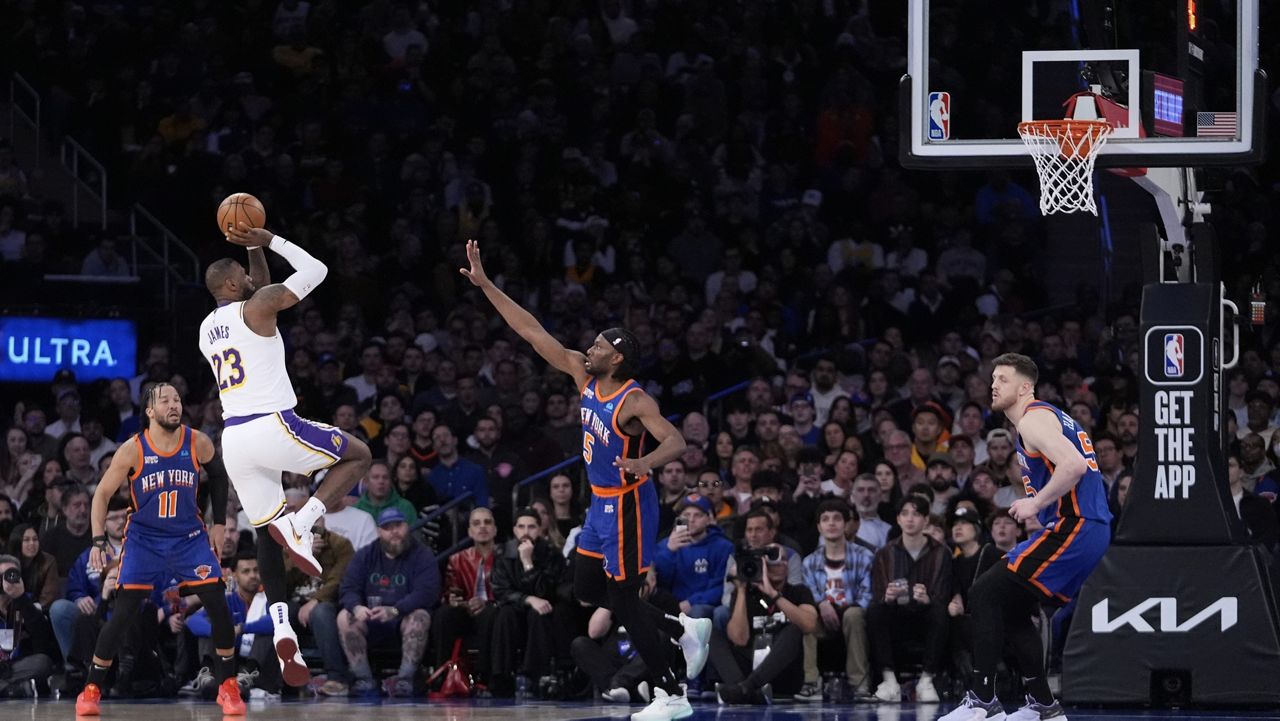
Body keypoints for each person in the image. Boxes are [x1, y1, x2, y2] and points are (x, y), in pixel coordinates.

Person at [462, 240, 707, 721]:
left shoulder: (635, 401)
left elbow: (676, 440)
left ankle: (672, 695)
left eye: (598, 344)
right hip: (599, 503)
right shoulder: (583, 376)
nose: (588, 348)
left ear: (616, 359)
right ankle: (681, 630)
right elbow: (531, 332)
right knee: (589, 588)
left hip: (631, 502)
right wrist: (486, 284)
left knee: (623, 600)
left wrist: (645, 462)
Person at [199, 223, 373, 687]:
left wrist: (252, 248)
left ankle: (281, 627)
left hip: (233, 439)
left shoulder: (206, 328)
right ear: (234, 284)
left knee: (265, 534)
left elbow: (259, 285)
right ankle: (303, 520)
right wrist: (271, 237)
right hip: (273, 425)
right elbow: (316, 270)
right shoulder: (258, 306)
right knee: (359, 455)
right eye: (244, 271)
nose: (251, 276)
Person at [942, 353, 1112, 721]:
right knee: (1012, 604)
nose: (993, 385)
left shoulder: (1034, 419)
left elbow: (1074, 466)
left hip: (1077, 525)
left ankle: (983, 702)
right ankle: (1043, 707)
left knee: (984, 592)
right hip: (1084, 527)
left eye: (1002, 379)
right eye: (993, 378)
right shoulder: (1044, 419)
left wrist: (1036, 504)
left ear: (1024, 387)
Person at [74, 383, 244, 716]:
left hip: (189, 537)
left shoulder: (197, 441)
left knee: (217, 604)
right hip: (144, 539)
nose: (174, 405)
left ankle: (228, 686)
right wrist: (97, 539)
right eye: (165, 400)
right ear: (149, 411)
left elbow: (219, 477)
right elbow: (101, 494)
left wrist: (220, 524)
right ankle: (91, 689)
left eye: (177, 399)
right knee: (124, 612)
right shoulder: (133, 449)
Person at [336, 508, 439, 696]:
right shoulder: (365, 555)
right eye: (387, 527)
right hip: (370, 618)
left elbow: (427, 592)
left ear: (407, 526)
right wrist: (357, 607)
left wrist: (396, 610)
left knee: (420, 617)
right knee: (345, 617)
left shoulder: (422, 555)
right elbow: (348, 588)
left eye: (398, 525)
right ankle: (363, 679)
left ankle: (405, 680)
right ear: (378, 531)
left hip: (403, 617)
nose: (394, 532)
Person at [710, 540, 819, 704]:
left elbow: (809, 624)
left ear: (788, 566)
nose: (779, 563)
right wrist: (740, 590)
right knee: (710, 634)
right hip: (749, 665)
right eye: (772, 560)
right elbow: (739, 639)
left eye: (783, 560)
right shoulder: (745, 594)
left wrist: (773, 594)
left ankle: (745, 688)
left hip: (782, 673)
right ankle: (745, 690)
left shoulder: (799, 592)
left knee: (795, 628)